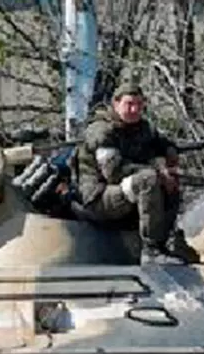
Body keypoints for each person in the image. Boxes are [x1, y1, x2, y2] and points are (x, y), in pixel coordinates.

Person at [74, 81, 195, 264]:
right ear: (116, 104)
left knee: (171, 182)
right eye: (129, 104)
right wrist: (157, 171)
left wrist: (169, 150)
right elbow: (113, 173)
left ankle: (162, 244)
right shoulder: (101, 131)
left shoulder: (141, 127)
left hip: (124, 192)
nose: (134, 110)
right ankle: (151, 251)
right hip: (99, 197)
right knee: (149, 179)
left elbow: (159, 141)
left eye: (139, 105)